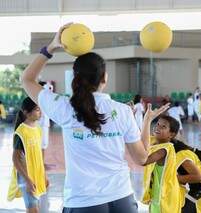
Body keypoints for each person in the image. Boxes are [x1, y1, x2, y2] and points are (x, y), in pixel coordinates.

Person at [21, 23, 169, 212]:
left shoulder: (64, 107)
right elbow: (141, 158)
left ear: (74, 77)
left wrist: (51, 47)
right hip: (122, 199)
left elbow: (27, 79)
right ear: (104, 78)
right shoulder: (123, 111)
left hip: (84, 202)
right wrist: (147, 121)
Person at [142, 115, 201, 213]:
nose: (158, 127)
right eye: (157, 124)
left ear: (171, 135)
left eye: (163, 126)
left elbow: (198, 177)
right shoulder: (160, 142)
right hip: (191, 186)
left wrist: (173, 178)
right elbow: (141, 140)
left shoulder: (180, 154)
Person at [7, 97, 48, 213]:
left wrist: (44, 175)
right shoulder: (21, 132)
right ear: (26, 113)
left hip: (36, 175)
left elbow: (38, 156)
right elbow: (15, 159)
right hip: (26, 178)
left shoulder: (38, 129)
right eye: (37, 110)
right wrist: (28, 180)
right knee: (33, 210)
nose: (40, 112)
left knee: (34, 209)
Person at [38, 81, 51, 169]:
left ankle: (42, 163)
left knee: (44, 144)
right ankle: (40, 164)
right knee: (41, 144)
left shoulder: (45, 99)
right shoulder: (38, 98)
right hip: (40, 125)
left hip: (45, 124)